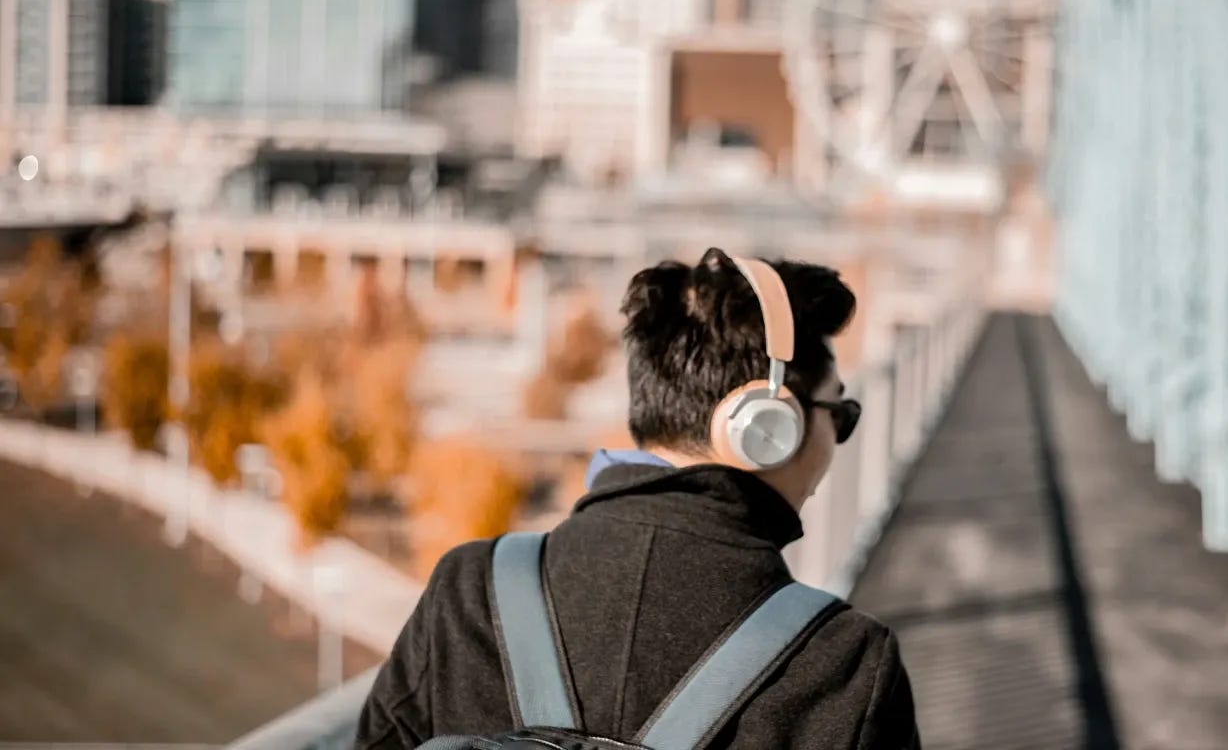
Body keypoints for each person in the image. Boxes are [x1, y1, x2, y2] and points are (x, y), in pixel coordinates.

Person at [354, 248, 921, 749]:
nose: (840, 437)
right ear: (768, 426)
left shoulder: (470, 590)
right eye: (840, 415)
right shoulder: (845, 663)